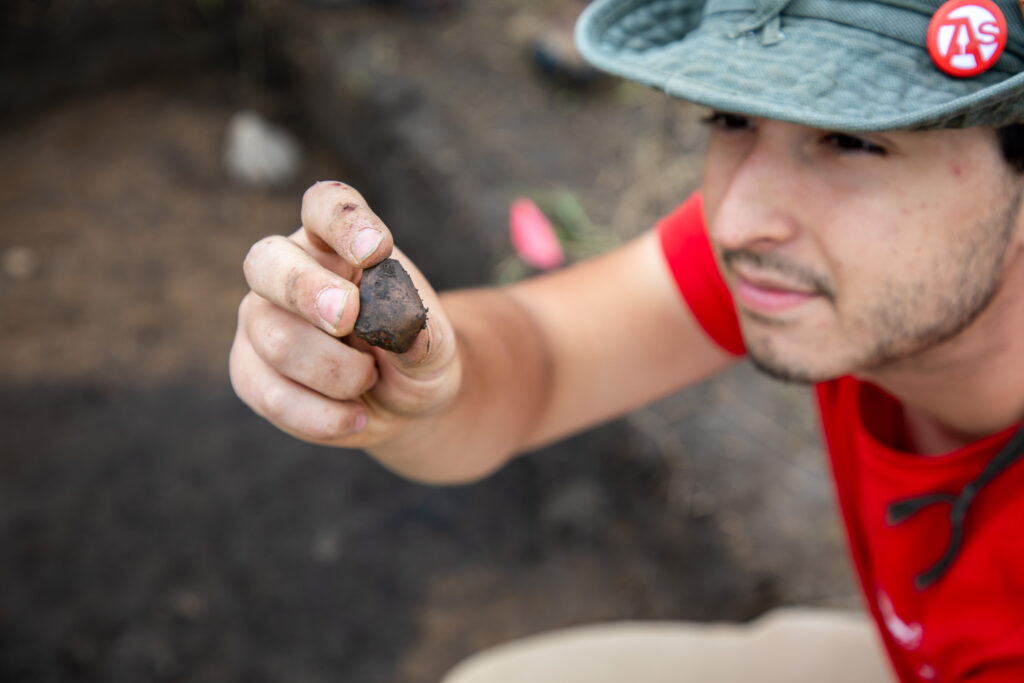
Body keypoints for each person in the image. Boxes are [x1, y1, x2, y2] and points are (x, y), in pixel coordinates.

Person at [229, 0, 1024, 680]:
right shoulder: (824, 259)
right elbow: (545, 352)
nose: (739, 220)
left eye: (853, 140)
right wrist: (419, 381)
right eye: (732, 120)